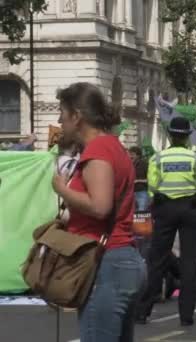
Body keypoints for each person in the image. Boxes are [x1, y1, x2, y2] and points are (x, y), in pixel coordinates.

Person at [51, 82, 145, 341]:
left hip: (105, 262)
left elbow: (100, 206)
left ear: (77, 116)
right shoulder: (113, 145)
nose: (60, 120)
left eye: (63, 113)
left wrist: (62, 189)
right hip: (121, 258)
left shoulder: (98, 149)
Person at [136, 116, 196, 326]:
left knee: (157, 261)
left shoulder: (158, 158)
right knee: (189, 262)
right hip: (189, 209)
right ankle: (186, 316)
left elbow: (152, 187)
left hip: (164, 208)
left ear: (169, 136)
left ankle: (143, 311)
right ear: (187, 136)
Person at [128, 146, 149, 212]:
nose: (130, 156)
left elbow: (150, 180)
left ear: (138, 155)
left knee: (141, 213)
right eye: (129, 154)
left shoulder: (145, 164)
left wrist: (138, 181)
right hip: (130, 193)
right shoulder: (128, 164)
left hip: (142, 192)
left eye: (132, 154)